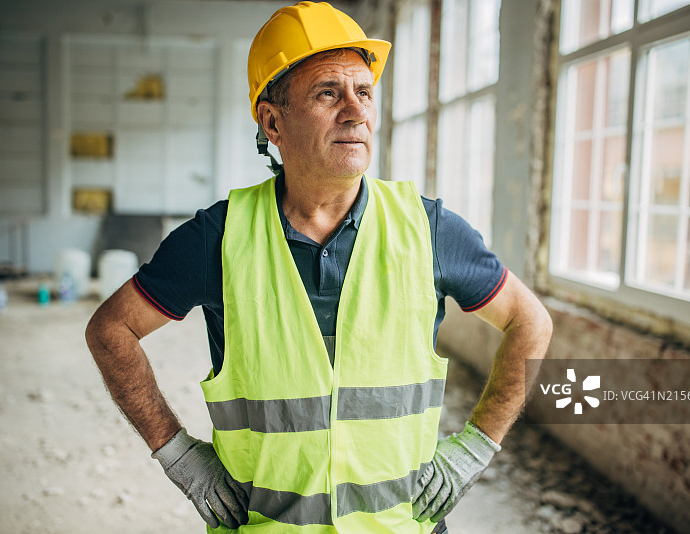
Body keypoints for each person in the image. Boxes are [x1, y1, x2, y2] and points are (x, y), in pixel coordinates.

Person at [85, 2, 552, 533]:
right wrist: (179, 457)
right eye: (328, 93)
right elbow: (111, 330)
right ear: (273, 121)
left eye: (365, 92)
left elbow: (530, 321)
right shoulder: (219, 237)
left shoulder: (429, 229)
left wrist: (476, 447)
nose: (355, 111)